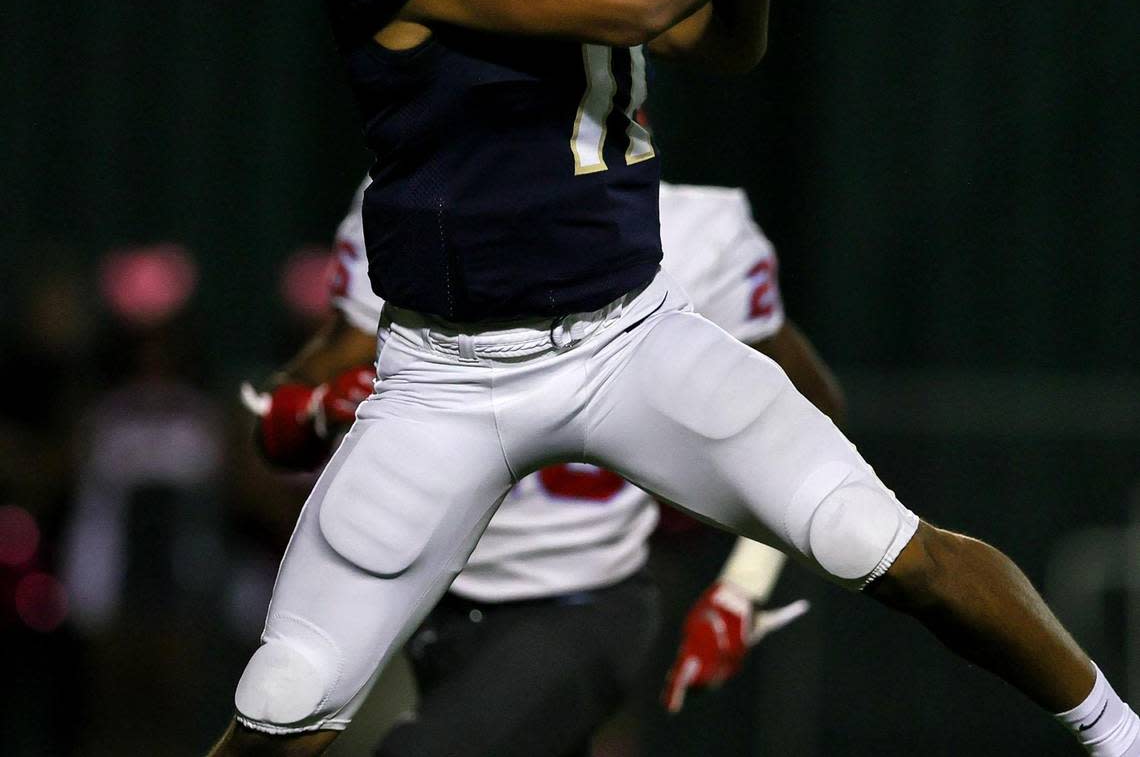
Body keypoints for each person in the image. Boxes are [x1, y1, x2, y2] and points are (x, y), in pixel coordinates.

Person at [208, 0, 1138, 755]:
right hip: (447, 379)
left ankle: (1119, 732)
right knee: (289, 694)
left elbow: (722, 39)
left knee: (880, 542)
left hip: (627, 338)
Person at [241, 178, 836, 755]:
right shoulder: (414, 196)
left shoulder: (696, 232)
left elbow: (809, 420)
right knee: (270, 728)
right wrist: (311, 411)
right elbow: (281, 422)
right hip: (420, 592)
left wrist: (743, 588)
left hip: (578, 598)